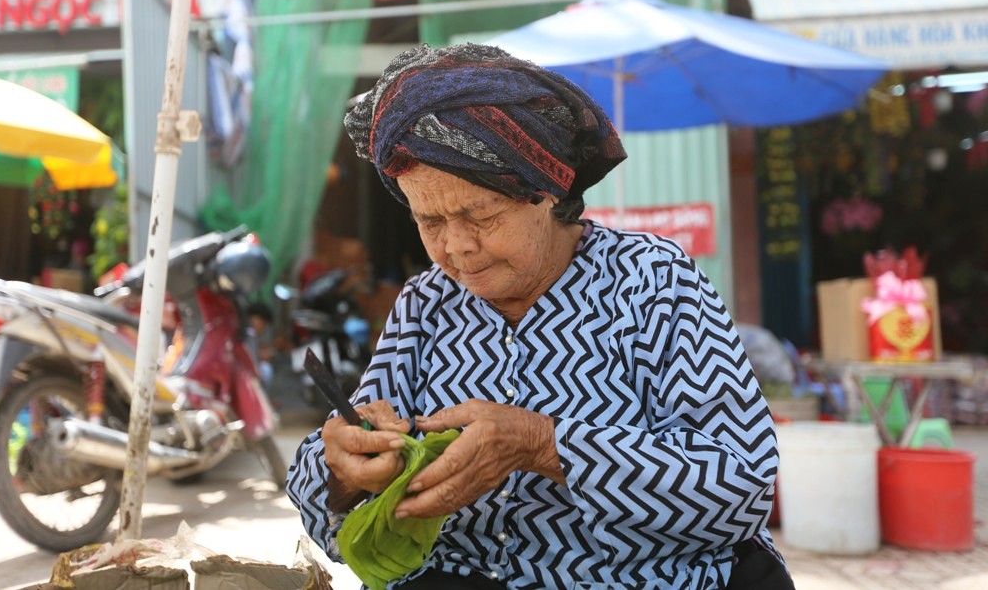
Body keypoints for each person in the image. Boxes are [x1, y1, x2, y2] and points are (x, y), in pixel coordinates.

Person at [287, 44, 793, 589]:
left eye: (480, 215)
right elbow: (333, 497)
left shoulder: (654, 281)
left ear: (548, 193)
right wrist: (345, 470)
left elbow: (740, 485)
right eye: (428, 221)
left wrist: (544, 445)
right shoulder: (426, 304)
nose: (457, 248)